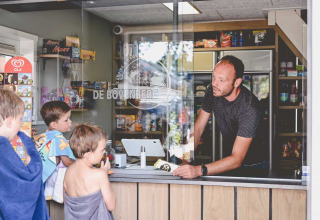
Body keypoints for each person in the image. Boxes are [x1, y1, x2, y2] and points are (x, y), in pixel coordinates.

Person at [173, 55, 268, 179]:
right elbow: (198, 128)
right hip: (228, 160)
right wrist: (185, 160)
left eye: (221, 80)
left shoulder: (250, 108)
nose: (214, 83)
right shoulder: (213, 92)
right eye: (214, 77)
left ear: (237, 82)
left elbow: (237, 159)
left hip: (253, 166)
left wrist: (198, 170)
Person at [0, 88, 49, 220]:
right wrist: (31, 157)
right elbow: (26, 187)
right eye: (20, 119)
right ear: (9, 121)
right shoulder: (3, 148)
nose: (21, 125)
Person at [64, 123, 116, 220]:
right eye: (102, 150)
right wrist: (104, 174)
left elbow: (65, 199)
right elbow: (111, 205)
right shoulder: (99, 175)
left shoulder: (68, 172)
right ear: (90, 155)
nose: (104, 152)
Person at [33, 101, 75, 188]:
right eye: (66, 120)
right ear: (54, 125)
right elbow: (67, 161)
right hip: (48, 181)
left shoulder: (44, 136)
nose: (70, 122)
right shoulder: (58, 138)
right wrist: (81, 165)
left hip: (38, 177)